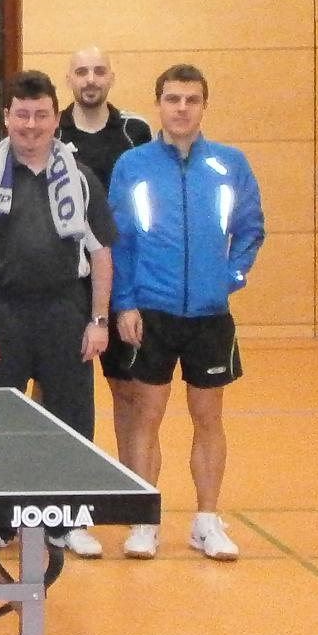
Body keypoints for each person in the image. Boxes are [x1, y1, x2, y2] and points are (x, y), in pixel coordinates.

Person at [0, 70, 116, 558]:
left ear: (55, 118)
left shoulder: (80, 179)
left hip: (66, 311)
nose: (31, 125)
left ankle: (66, 522)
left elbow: (101, 252)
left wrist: (98, 320)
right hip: (3, 314)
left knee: (72, 420)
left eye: (41, 115)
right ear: (6, 118)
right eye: (21, 114)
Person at [109, 64, 265, 563]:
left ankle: (206, 521)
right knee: (146, 417)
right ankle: (144, 521)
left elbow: (251, 229)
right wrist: (124, 302)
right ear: (158, 104)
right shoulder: (132, 165)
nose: (181, 108)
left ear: (204, 106)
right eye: (173, 99)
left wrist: (229, 276)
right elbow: (118, 240)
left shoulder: (230, 164)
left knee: (208, 417)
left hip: (209, 316)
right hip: (151, 312)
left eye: (191, 100)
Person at [59, 45, 154, 484]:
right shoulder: (52, 130)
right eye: (82, 72)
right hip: (67, 283)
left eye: (99, 71)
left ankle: (129, 490)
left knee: (127, 390)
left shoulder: (136, 131)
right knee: (57, 392)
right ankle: (62, 489)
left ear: (111, 77)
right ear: (69, 79)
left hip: (124, 282)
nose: (91, 79)